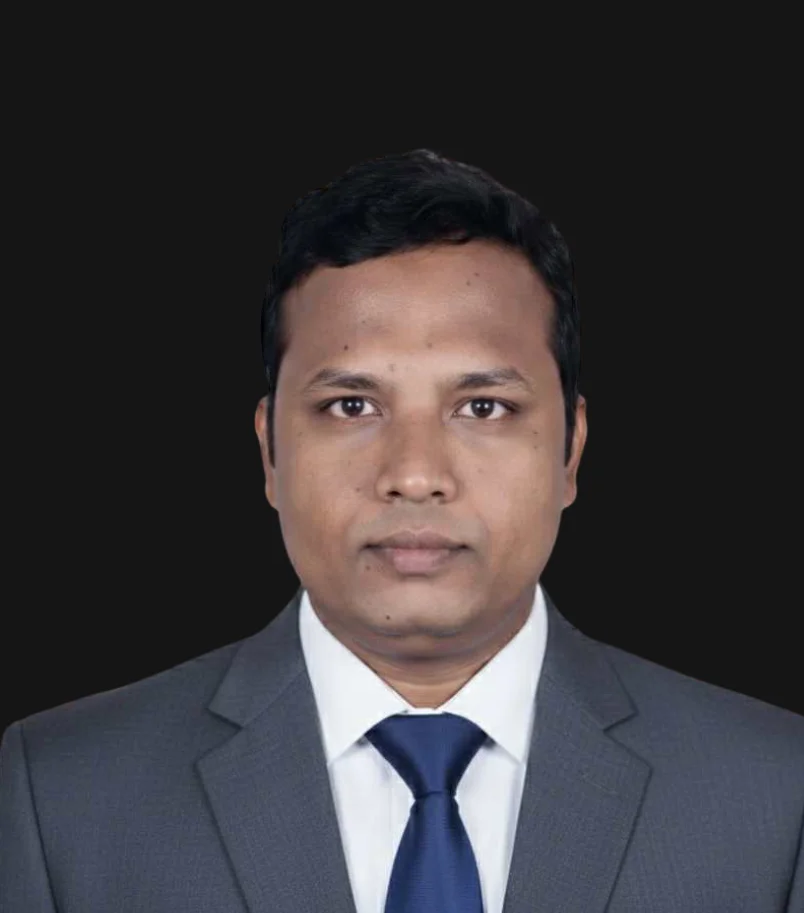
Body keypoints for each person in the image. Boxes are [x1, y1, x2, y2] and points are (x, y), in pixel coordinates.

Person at [1, 149, 802, 913]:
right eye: (352, 405)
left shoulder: (774, 795)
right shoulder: (65, 794)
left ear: (571, 450)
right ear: (270, 451)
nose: (415, 474)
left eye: (482, 406)